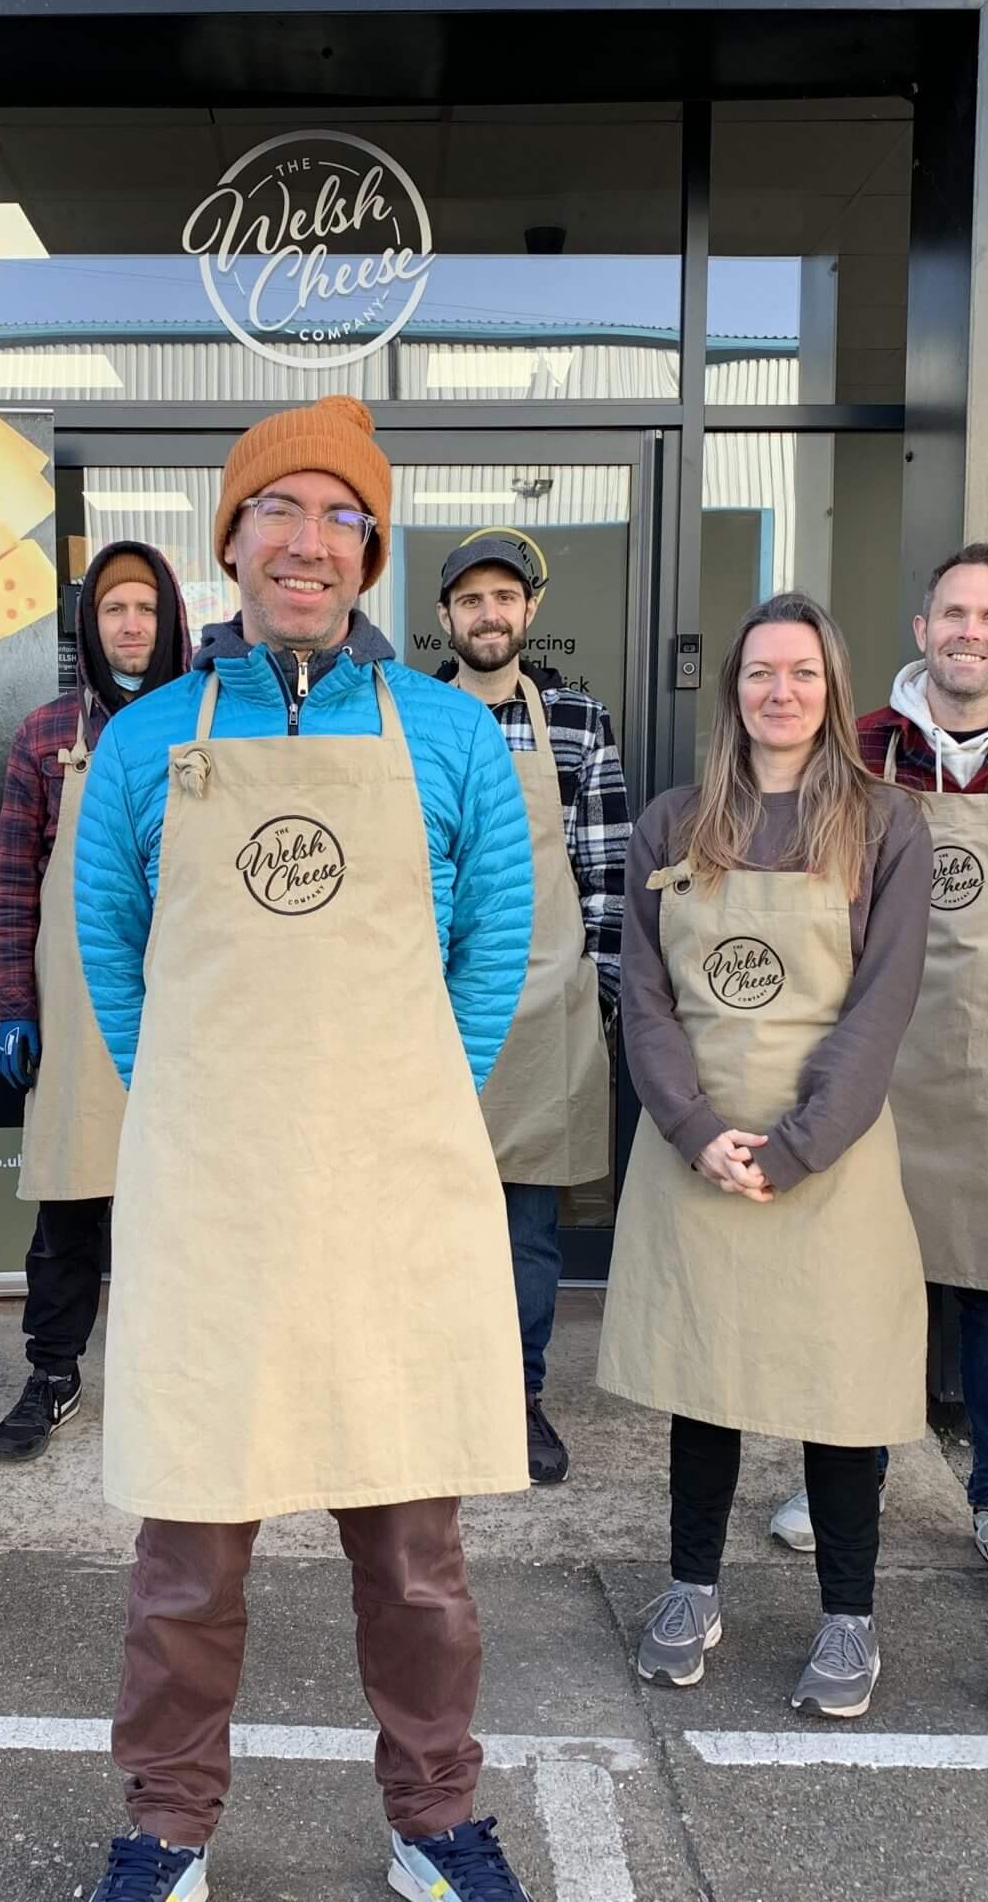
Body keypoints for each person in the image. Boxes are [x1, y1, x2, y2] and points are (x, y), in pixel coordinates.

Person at [69, 397, 541, 1901]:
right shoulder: (148, 738)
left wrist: (418, 1097)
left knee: (414, 1555)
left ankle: (434, 1818)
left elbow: (495, 941)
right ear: (232, 540)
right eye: (280, 511)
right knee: (188, 1557)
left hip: (392, 1190)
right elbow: (110, 944)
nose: (309, 542)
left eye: (343, 517)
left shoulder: (448, 735)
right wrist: (192, 1101)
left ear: (370, 556)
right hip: (212, 1201)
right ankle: (166, 1828)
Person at [600, 592, 931, 1718]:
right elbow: (645, 997)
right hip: (696, 1147)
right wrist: (694, 1129)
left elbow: (881, 1005)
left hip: (829, 1154)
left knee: (839, 1392)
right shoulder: (674, 822)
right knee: (706, 1380)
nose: (778, 692)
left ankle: (848, 1616)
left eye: (800, 673)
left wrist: (796, 1148)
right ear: (731, 690)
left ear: (832, 688)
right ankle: (692, 1588)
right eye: (758, 673)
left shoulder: (884, 825)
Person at [767, 543, 988, 1600]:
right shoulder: (860, 745)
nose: (969, 632)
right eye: (952, 613)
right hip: (878, 1047)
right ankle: (847, 1477)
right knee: (864, 1271)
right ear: (922, 630)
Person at [0, 540, 189, 1460]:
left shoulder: (214, 723)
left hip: (189, 1001)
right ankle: (53, 1370)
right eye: (114, 609)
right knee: (70, 1201)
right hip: (75, 1004)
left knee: (182, 1198)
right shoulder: (45, 735)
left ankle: (178, 1375)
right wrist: (11, 1002)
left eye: (146, 607)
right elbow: (12, 882)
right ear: (90, 625)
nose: (131, 625)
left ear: (171, 618)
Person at [433, 532, 629, 1486]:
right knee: (425, 1220)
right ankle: (433, 1399)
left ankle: (518, 1397)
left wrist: (598, 994)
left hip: (544, 1008)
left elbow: (606, 870)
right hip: (430, 1017)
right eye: (471, 599)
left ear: (530, 611)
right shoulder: (410, 717)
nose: (489, 614)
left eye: (504, 597)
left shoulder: (579, 723)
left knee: (526, 1232)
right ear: (445, 617)